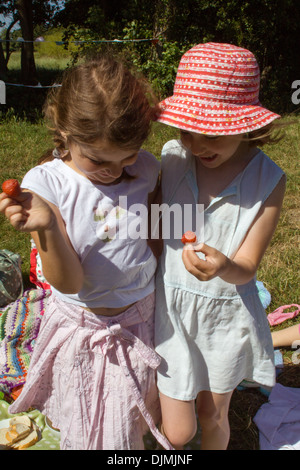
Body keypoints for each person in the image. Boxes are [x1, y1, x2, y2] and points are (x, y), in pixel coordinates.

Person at [0, 55, 172, 450]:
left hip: (141, 317)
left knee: (133, 413)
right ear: (64, 131)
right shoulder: (49, 184)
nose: (114, 171)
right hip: (85, 325)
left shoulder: (146, 167)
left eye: (125, 158)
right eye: (98, 160)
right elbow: (69, 281)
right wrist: (44, 226)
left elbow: (155, 236)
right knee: (100, 429)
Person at [154, 42, 287, 450]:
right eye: (185, 131)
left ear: (246, 124)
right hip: (171, 309)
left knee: (212, 414)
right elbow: (159, 230)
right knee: (178, 433)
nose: (196, 145)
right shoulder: (173, 158)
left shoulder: (267, 180)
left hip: (222, 319)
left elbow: (247, 266)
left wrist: (225, 266)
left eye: (209, 133)